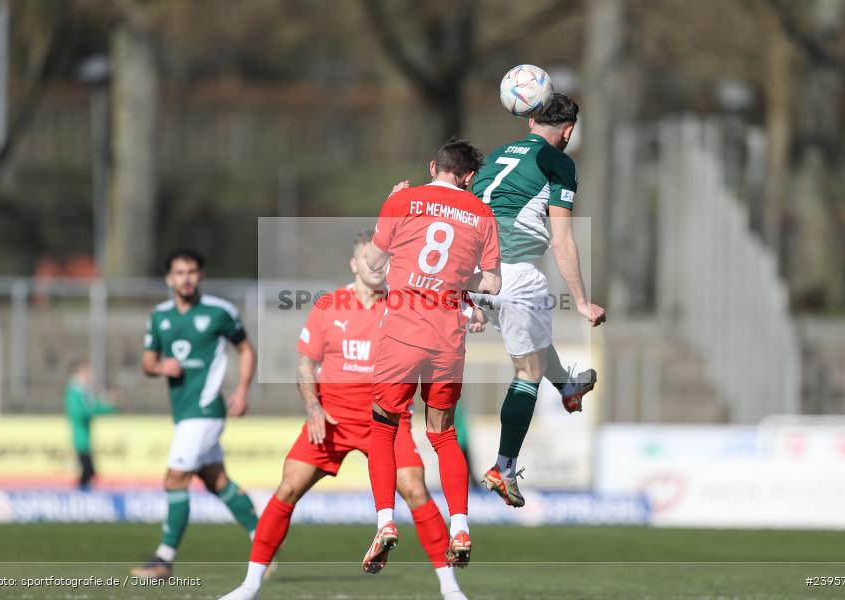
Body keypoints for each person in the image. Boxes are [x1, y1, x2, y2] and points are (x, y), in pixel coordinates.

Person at [219, 231, 468, 600]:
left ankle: (451, 590)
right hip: (332, 420)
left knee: (415, 490)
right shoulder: (329, 305)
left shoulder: (402, 306)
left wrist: (467, 312)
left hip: (387, 419)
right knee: (287, 488)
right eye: (368, 259)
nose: (376, 265)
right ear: (354, 264)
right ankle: (250, 586)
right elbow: (306, 362)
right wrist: (313, 406)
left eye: (382, 259)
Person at [362, 138, 501, 574]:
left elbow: (371, 266)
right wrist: (459, 280)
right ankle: (460, 528)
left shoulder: (404, 200)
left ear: (433, 167)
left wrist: (390, 204)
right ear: (470, 177)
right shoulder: (481, 213)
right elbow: (493, 285)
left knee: (383, 427)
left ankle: (385, 522)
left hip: (402, 335)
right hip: (447, 342)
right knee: (442, 435)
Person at [468, 93, 606, 508]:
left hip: (474, 272)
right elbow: (562, 238)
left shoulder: (493, 157)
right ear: (568, 131)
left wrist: (466, 292)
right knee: (526, 371)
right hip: (516, 274)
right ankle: (503, 466)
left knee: (532, 341)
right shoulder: (558, 162)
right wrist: (582, 301)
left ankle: (566, 385)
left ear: (529, 122)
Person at [131, 248, 259, 579]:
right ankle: (264, 541)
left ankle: (163, 560)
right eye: (179, 272)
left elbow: (245, 349)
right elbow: (147, 362)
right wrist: (160, 366)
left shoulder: (219, 311)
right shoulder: (159, 316)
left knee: (174, 477)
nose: (186, 278)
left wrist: (242, 390)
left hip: (206, 409)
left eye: (192, 272)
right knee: (216, 480)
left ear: (200, 276)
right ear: (169, 278)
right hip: (183, 410)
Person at [63, 359, 117, 490]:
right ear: (81, 372)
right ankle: (79, 495)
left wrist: (108, 406)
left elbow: (92, 407)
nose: (91, 376)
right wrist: (101, 406)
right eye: (88, 372)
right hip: (80, 438)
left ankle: (82, 494)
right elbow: (80, 411)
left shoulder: (84, 391)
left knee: (89, 472)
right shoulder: (74, 392)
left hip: (86, 438)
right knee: (88, 471)